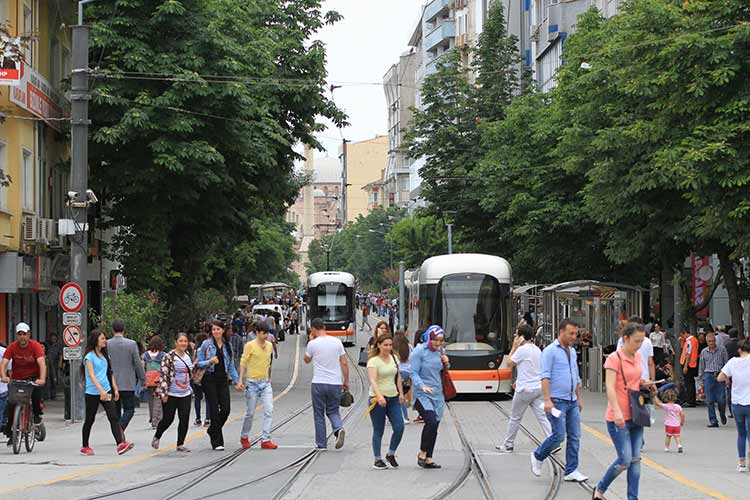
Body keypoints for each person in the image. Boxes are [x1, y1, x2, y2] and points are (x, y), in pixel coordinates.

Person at [593, 322, 649, 500]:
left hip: (636, 414)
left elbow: (635, 380)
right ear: (626, 339)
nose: (639, 345)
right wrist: (617, 412)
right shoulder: (613, 358)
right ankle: (600, 488)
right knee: (625, 460)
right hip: (618, 418)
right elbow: (610, 387)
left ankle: (633, 498)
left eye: (641, 341)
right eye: (636, 341)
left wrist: (643, 383)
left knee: (636, 462)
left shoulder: (638, 356)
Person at [530, 319, 588, 482]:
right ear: (561, 332)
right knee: (558, 436)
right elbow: (545, 377)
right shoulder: (550, 351)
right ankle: (537, 456)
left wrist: (579, 398)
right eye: (571, 333)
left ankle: (571, 470)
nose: (573, 337)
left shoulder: (572, 351)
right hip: (556, 401)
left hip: (572, 400)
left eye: (575, 333)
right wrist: (547, 400)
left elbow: (576, 377)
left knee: (575, 435)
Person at [496, 324, 552, 453]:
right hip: (537, 389)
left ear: (521, 337)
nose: (515, 337)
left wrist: (514, 347)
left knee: (515, 417)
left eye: (516, 335)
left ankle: (508, 444)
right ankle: (552, 440)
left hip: (525, 390)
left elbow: (508, 364)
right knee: (542, 416)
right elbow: (531, 368)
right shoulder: (537, 349)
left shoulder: (522, 350)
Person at [80, 331, 133, 456]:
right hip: (93, 392)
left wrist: (114, 388)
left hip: (106, 390)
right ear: (95, 340)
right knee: (90, 419)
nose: (105, 340)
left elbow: (109, 373)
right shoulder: (89, 357)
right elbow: (91, 376)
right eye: (103, 338)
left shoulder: (105, 356)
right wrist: (100, 391)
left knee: (113, 416)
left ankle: (120, 444)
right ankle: (85, 446)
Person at [304, 317, 349, 450]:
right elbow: (344, 363)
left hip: (318, 382)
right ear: (324, 327)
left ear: (313, 329)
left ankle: (321, 444)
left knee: (319, 414)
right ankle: (338, 428)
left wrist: (311, 341)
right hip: (335, 383)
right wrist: (345, 381)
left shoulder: (313, 344)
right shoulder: (337, 342)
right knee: (333, 410)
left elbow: (306, 360)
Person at [196, 320, 241, 450]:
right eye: (213, 329)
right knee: (214, 410)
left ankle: (212, 430)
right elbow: (198, 363)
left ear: (223, 330)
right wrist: (209, 361)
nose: (216, 331)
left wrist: (237, 380)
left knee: (226, 409)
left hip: (222, 380)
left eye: (218, 329)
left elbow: (231, 365)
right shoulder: (206, 344)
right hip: (209, 379)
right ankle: (217, 442)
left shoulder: (228, 345)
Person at [410, 325, 449, 469]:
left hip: (438, 394)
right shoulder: (420, 351)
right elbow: (413, 372)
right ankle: (422, 453)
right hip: (422, 394)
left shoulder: (440, 351)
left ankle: (429, 457)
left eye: (441, 340)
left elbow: (443, 371)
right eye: (436, 340)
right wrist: (422, 386)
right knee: (431, 421)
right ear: (429, 338)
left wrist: (446, 362)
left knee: (435, 425)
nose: (438, 343)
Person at [1, 323, 46, 443]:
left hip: (33, 378)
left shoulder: (35, 346)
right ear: (17, 335)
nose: (22, 337)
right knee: (11, 403)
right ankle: (11, 431)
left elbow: (42, 363)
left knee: (36, 395)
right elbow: (4, 363)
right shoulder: (12, 347)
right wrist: (4, 376)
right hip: (17, 379)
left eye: (24, 334)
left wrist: (42, 378)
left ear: (29, 334)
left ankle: (36, 416)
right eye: (20, 334)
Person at [367, 333, 404, 469]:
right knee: (379, 429)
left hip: (393, 397)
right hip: (377, 399)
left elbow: (398, 376)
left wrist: (401, 393)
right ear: (378, 345)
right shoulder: (373, 361)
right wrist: (379, 396)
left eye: (390, 345)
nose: (388, 348)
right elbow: (372, 380)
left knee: (399, 427)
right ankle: (377, 458)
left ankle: (391, 453)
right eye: (385, 345)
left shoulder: (394, 358)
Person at [238, 321, 277, 450]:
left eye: (267, 333)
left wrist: (269, 377)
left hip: (265, 383)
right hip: (252, 383)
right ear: (257, 333)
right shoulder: (250, 345)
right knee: (250, 413)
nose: (266, 336)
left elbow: (269, 362)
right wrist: (240, 380)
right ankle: (244, 436)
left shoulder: (270, 345)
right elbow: (243, 362)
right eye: (263, 333)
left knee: (269, 410)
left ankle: (265, 439)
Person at [152, 333, 193, 452]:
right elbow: (163, 375)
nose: (183, 343)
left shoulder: (188, 355)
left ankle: (180, 444)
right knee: (168, 419)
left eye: (185, 341)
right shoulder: (169, 356)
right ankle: (157, 435)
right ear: (176, 342)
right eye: (181, 341)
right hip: (171, 393)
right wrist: (164, 393)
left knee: (184, 418)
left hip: (185, 392)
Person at [107, 320, 147, 433]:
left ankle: (118, 431)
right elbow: (137, 363)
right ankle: (120, 429)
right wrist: (143, 379)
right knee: (129, 409)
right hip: (128, 382)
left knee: (115, 410)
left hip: (112, 382)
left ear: (112, 329)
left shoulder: (107, 344)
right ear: (124, 329)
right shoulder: (131, 344)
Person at [718, 338, 750, 472]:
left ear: (739, 350)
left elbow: (719, 377)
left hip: (737, 403)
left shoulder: (733, 362)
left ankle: (742, 463)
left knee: (741, 433)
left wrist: (728, 380)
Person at [698, 332, 729, 427]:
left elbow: (726, 364)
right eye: (709, 341)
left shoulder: (722, 350)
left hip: (720, 375)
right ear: (707, 342)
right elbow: (701, 367)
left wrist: (727, 377)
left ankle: (722, 414)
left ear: (715, 341)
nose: (711, 343)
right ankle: (713, 421)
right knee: (710, 400)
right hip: (708, 375)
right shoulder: (704, 352)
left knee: (721, 399)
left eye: (712, 341)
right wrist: (701, 380)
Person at [142, 335, 166, 429]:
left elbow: (142, 366)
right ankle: (157, 420)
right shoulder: (163, 355)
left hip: (148, 379)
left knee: (150, 400)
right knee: (158, 399)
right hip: (158, 379)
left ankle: (152, 417)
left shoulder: (145, 355)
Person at [653, 388, 684, 453]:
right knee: (677, 435)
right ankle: (679, 445)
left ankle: (667, 447)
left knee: (668, 436)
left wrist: (655, 396)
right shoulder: (678, 406)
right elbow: (682, 414)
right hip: (677, 424)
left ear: (666, 398)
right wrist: (682, 421)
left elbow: (657, 403)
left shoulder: (666, 406)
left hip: (669, 424)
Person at [393, 330, 413, 423]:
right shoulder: (409, 347)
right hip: (407, 373)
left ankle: (404, 417)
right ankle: (404, 416)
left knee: (399, 395)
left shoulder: (394, 347)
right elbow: (413, 359)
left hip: (398, 373)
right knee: (402, 394)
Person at [191, 333, 211, 428]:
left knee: (197, 398)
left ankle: (198, 418)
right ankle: (207, 419)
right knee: (208, 398)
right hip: (206, 375)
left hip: (197, 376)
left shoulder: (195, 351)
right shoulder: (208, 349)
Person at [679, 330, 699, 407]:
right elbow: (684, 349)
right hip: (692, 364)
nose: (682, 337)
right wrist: (682, 341)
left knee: (688, 383)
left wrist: (685, 366)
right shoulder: (693, 340)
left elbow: (688, 354)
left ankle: (690, 401)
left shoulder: (689, 341)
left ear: (685, 333)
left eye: (682, 335)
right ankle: (692, 400)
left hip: (688, 365)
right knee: (691, 383)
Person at [45, 333, 62, 400]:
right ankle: (48, 395)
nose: (53, 339)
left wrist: (60, 364)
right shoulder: (48, 345)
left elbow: (61, 355)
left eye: (54, 338)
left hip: (55, 364)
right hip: (48, 363)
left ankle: (53, 395)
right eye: (52, 338)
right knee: (48, 380)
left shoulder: (58, 346)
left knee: (54, 380)